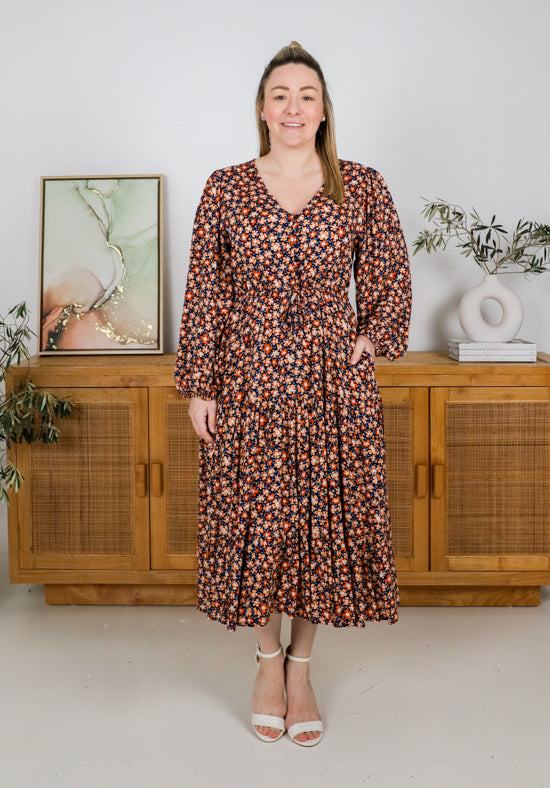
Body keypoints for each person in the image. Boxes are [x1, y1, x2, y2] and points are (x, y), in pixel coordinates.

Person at [174, 41, 411, 747]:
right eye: (280, 94)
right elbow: (205, 292)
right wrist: (199, 385)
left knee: (319, 524)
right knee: (259, 519)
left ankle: (301, 669)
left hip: (331, 383)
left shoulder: (360, 186)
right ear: (261, 107)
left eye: (307, 95)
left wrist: (370, 336)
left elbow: (390, 274)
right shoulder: (225, 187)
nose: (293, 107)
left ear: (324, 108)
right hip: (248, 377)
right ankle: (265, 660)